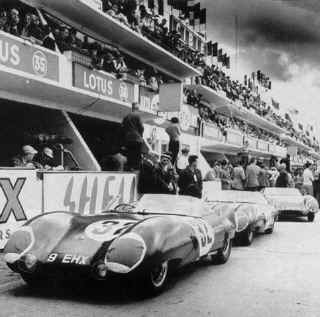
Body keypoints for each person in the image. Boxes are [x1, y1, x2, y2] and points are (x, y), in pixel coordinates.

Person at [121, 103, 147, 171]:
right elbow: (141, 127)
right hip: (137, 139)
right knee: (137, 156)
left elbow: (123, 127)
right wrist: (140, 135)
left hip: (128, 139)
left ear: (132, 108)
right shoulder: (137, 116)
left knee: (129, 155)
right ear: (137, 109)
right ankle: (136, 170)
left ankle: (129, 169)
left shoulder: (126, 117)